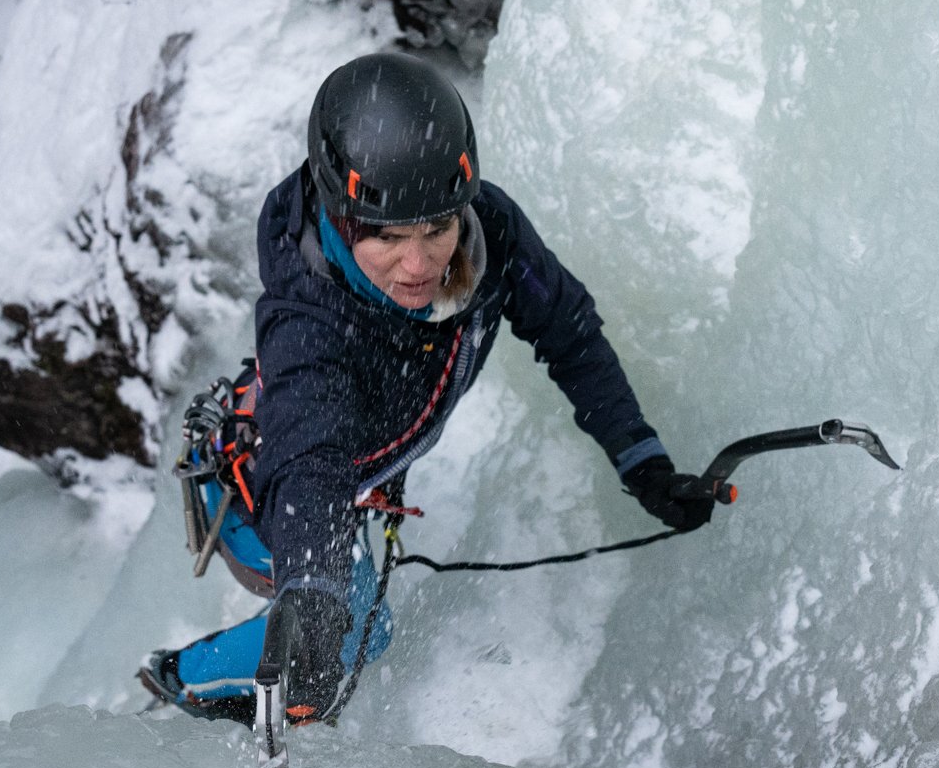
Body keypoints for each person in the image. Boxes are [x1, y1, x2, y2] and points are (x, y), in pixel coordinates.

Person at [138, 52, 719, 724]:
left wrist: (641, 460)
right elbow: (308, 458)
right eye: (387, 237)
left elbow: (569, 334)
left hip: (346, 476)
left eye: (436, 229)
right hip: (258, 496)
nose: (419, 265)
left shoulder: (489, 230)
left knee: (341, 632)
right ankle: (184, 678)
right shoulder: (310, 321)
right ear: (340, 213)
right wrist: (314, 590)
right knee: (358, 628)